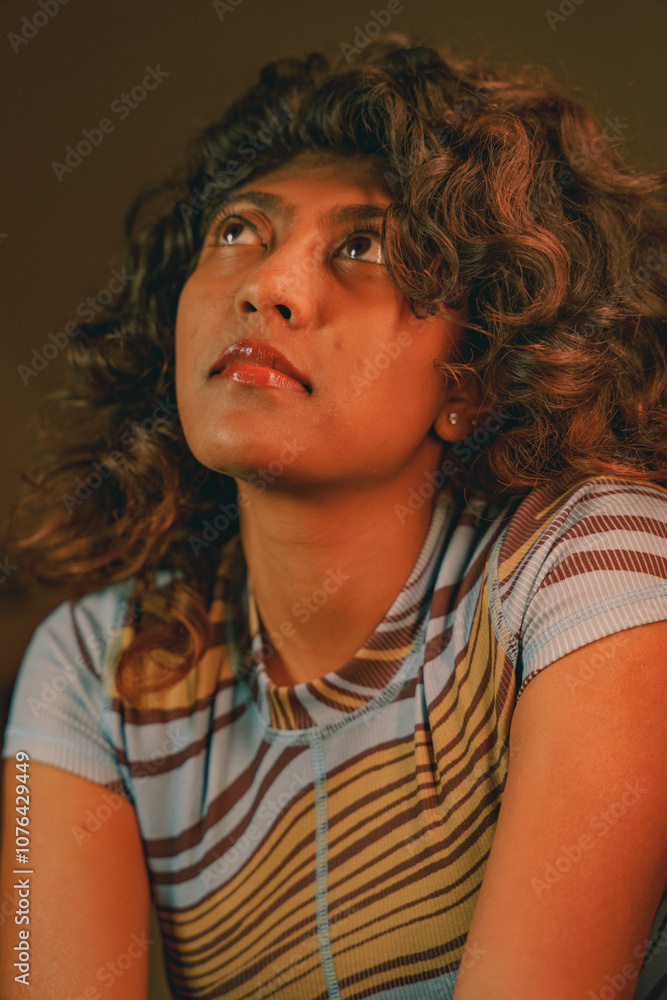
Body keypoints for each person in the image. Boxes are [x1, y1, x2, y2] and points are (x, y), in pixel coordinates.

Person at [1, 32, 666, 1000]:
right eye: (239, 231)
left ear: (473, 379)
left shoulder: (599, 567)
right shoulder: (87, 669)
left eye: (363, 249)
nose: (266, 285)